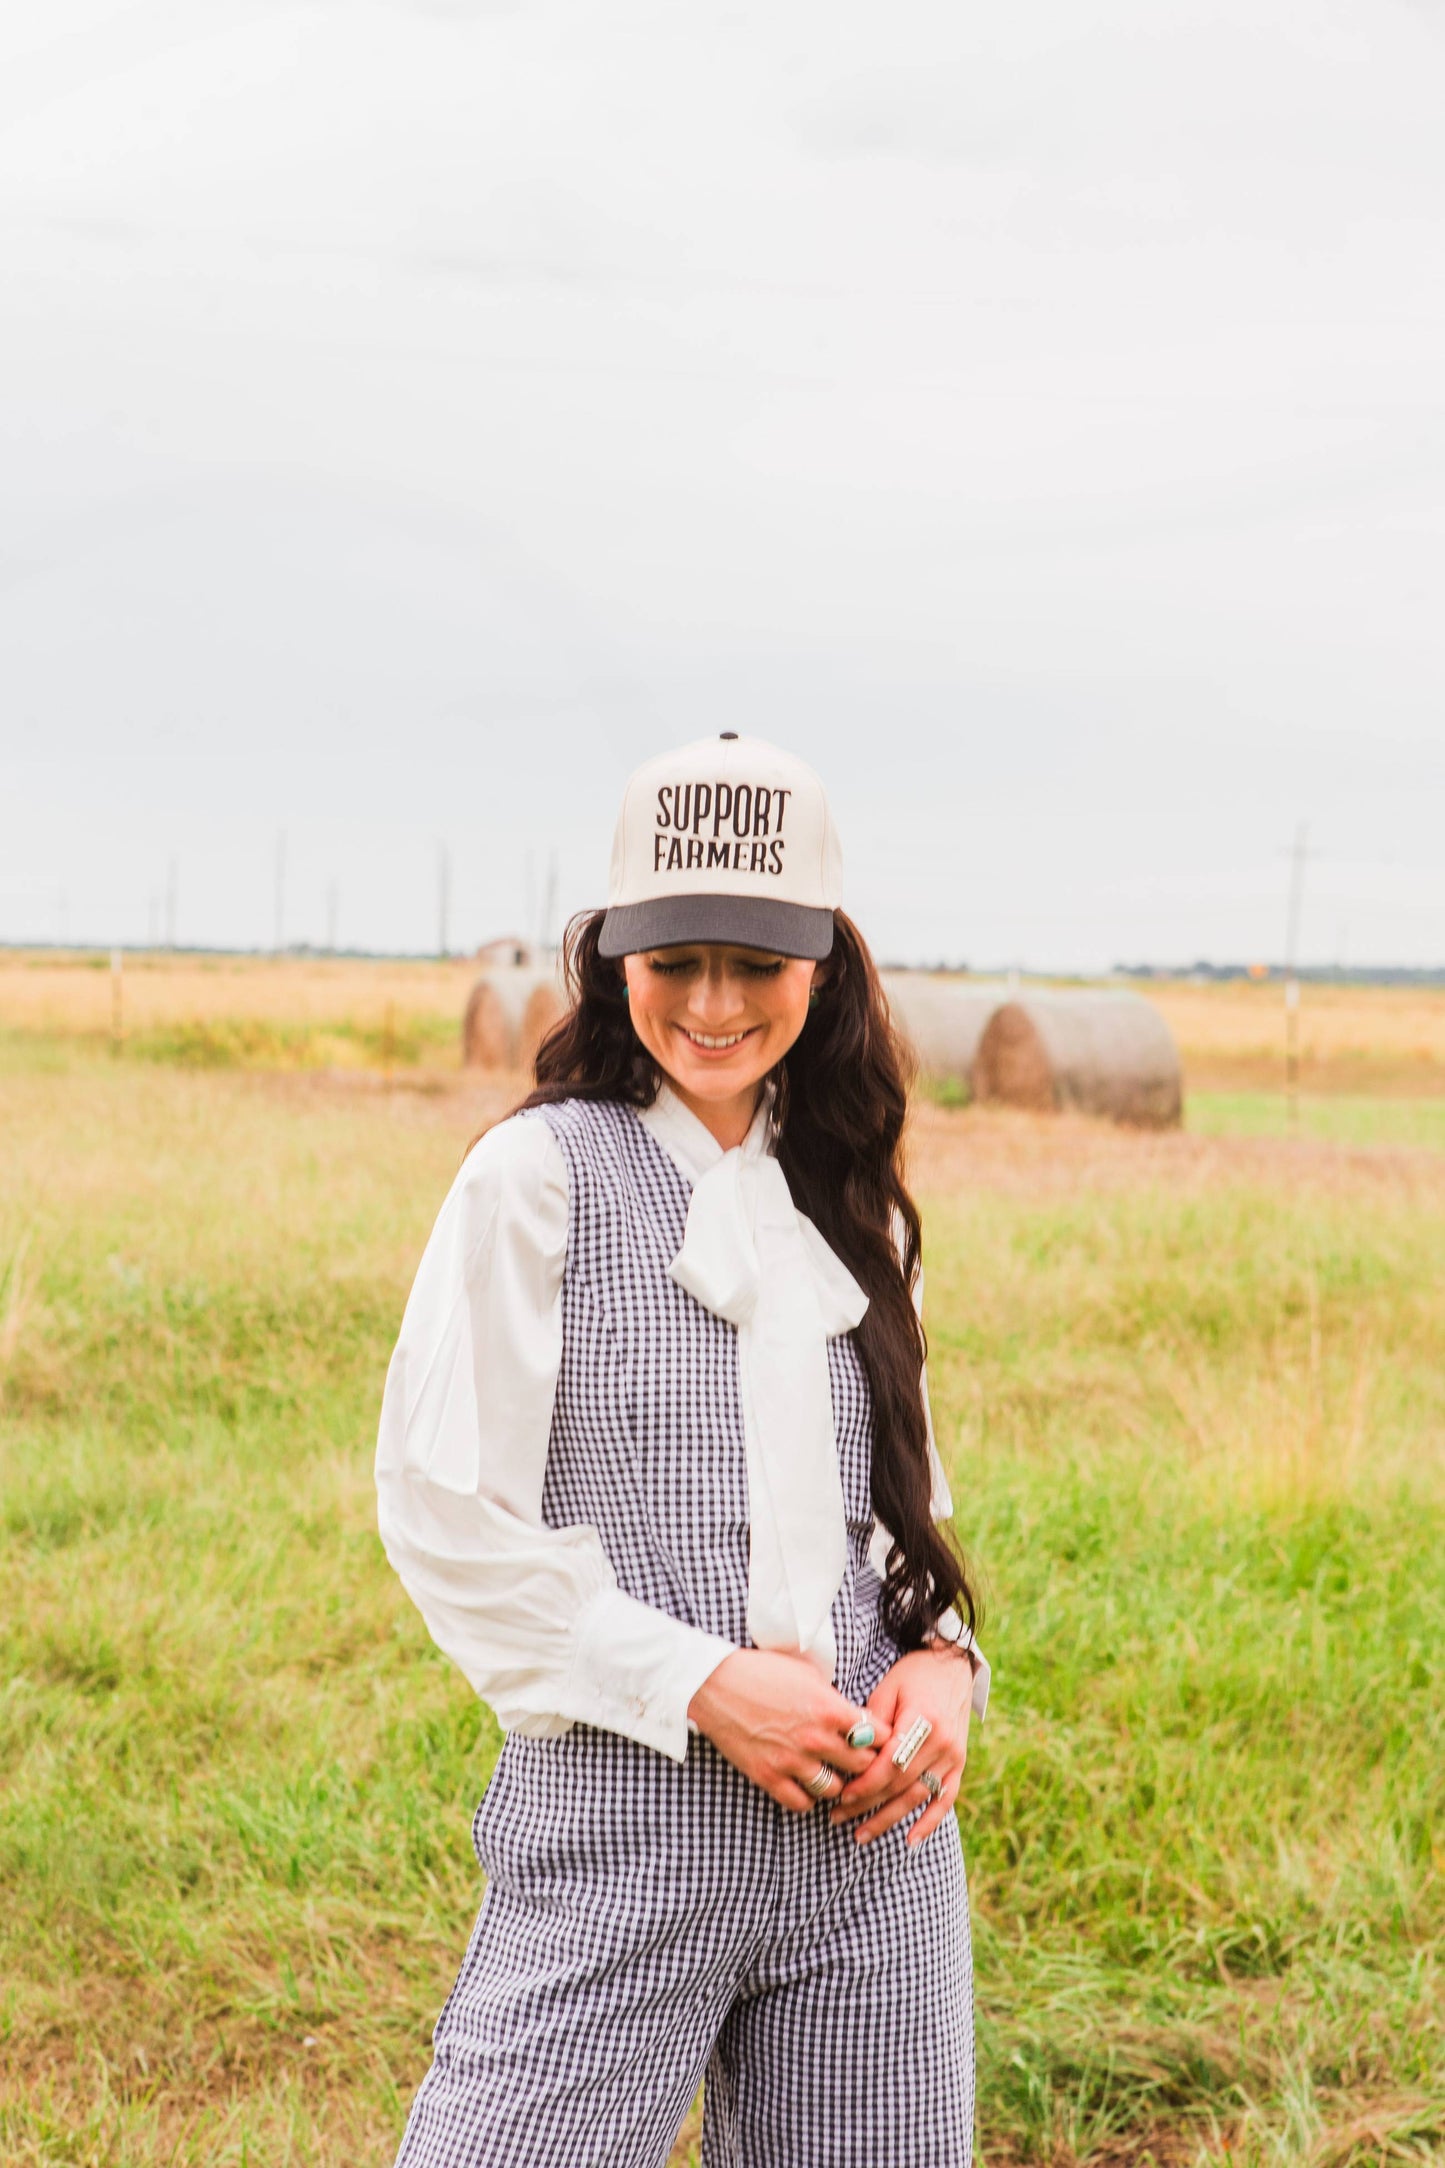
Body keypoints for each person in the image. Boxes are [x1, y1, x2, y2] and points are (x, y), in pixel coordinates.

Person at [375, 733, 989, 2168]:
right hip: (624, 1828)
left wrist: (941, 1658)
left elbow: (902, 1495)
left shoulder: (853, 1196)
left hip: (873, 1855)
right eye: (674, 961)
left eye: (756, 965)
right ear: (612, 962)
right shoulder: (537, 1181)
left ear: (823, 967)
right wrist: (705, 1684)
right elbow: (442, 1511)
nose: (712, 1005)